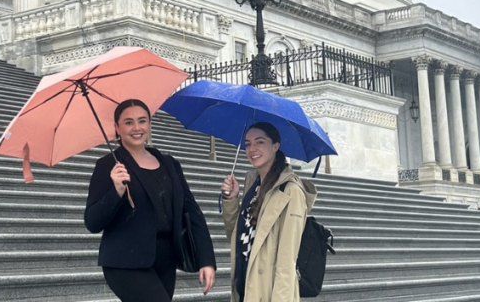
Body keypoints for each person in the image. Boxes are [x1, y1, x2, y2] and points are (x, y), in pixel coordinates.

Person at [84, 99, 216, 302]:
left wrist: (206, 260)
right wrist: (117, 191)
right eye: (128, 122)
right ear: (116, 128)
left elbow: (192, 212)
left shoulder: (170, 163)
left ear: (149, 123)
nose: (136, 128)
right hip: (125, 263)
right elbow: (92, 222)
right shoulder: (108, 165)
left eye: (142, 120)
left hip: (165, 260)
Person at [220, 122, 317, 302]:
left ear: (276, 146)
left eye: (260, 142)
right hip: (245, 286)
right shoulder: (252, 184)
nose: (252, 149)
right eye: (248, 144)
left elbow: (287, 261)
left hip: (267, 292)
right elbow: (236, 236)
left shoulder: (290, 192)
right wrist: (231, 200)